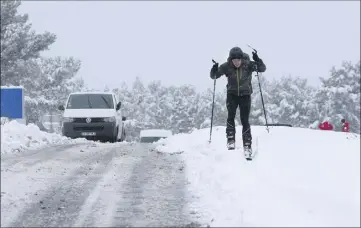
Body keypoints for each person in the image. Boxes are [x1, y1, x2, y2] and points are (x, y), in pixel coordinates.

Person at [210, 46, 266, 153]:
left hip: (245, 95)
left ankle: (247, 144)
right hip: (232, 95)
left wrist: (257, 59)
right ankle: (230, 139)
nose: (236, 62)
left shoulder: (248, 64)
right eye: (234, 60)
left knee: (245, 120)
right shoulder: (227, 66)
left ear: (241, 59)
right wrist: (214, 68)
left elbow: (262, 68)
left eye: (238, 60)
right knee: (230, 116)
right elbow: (214, 76)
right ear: (231, 60)